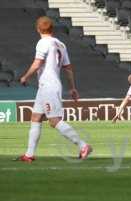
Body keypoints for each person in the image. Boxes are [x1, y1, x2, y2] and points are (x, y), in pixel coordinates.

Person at [17, 16, 92, 163]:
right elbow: (68, 68)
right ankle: (29, 154)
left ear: (38, 29)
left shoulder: (43, 43)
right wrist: (73, 88)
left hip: (48, 86)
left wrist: (25, 77)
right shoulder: (60, 44)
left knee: (54, 121)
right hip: (47, 86)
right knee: (36, 117)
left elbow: (37, 63)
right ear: (52, 29)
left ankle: (83, 145)